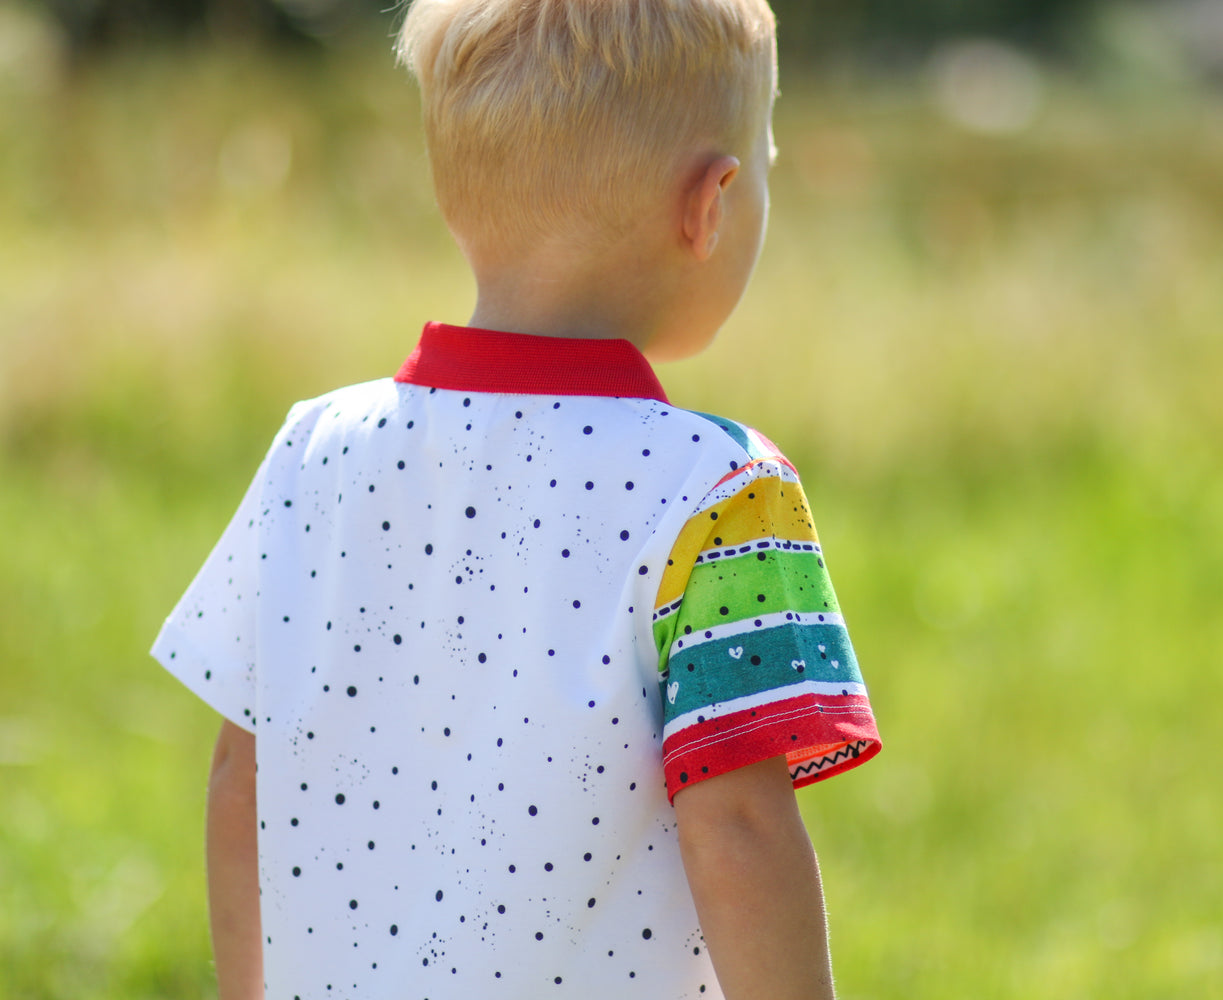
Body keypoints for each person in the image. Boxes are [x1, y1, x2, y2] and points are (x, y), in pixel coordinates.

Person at [150, 1, 881, 998]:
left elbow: (245, 781)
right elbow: (741, 822)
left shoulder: (314, 452)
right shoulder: (721, 494)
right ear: (710, 205)